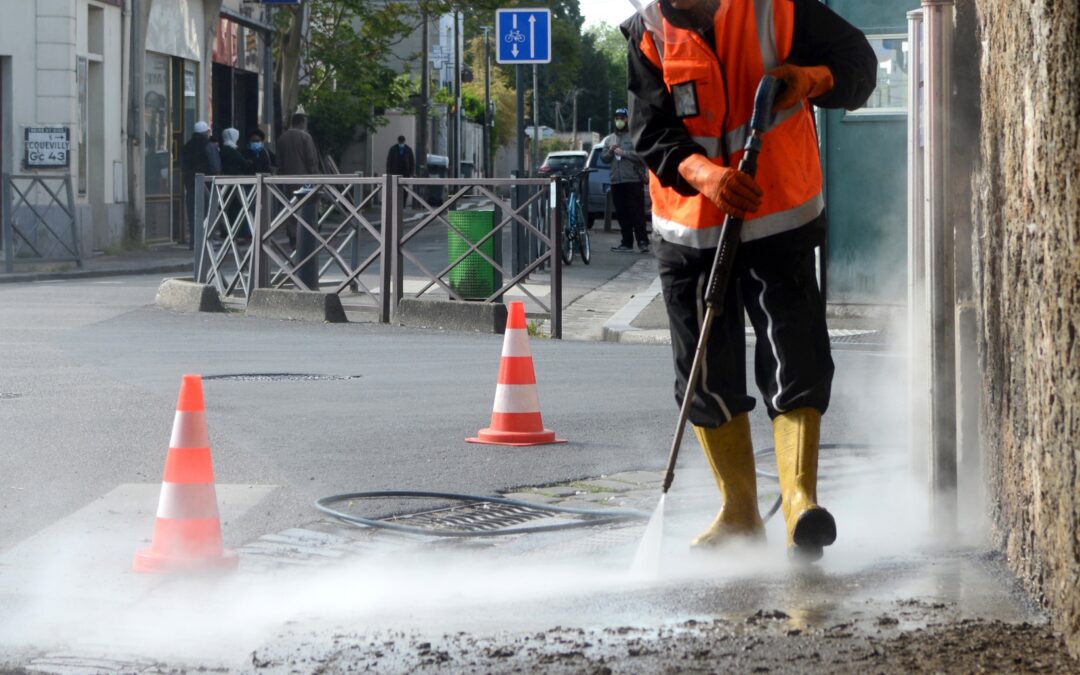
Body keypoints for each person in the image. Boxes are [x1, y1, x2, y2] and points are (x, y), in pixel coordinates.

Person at [623, 0, 876, 561]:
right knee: (704, 376)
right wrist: (705, 175)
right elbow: (651, 130)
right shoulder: (648, 32)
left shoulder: (777, 8)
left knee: (795, 358)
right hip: (689, 231)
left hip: (778, 213)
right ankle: (738, 511)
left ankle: (799, 503)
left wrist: (808, 80)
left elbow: (858, 62)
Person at [601, 108, 650, 253]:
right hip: (616, 181)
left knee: (637, 213)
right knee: (622, 213)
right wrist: (610, 151)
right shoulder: (609, 139)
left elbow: (642, 157)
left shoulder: (634, 136)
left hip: (633, 180)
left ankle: (642, 242)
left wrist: (625, 153)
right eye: (617, 118)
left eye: (622, 118)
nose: (619, 120)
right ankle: (626, 242)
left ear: (627, 119)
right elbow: (603, 158)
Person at [275, 112, 321, 248]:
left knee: (291, 207)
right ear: (302, 123)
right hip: (305, 178)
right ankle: (307, 235)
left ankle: (293, 236)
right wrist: (316, 176)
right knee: (308, 206)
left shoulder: (282, 138)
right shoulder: (305, 137)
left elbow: (279, 161)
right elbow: (311, 159)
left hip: (288, 179)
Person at [180, 121, 221, 247]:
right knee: (208, 213)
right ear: (205, 133)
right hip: (206, 184)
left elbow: (183, 165)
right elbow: (215, 166)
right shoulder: (209, 146)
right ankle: (207, 239)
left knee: (193, 214)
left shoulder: (186, 146)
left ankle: (194, 241)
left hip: (190, 184)